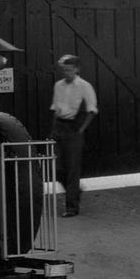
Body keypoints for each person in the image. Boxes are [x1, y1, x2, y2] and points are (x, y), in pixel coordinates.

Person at [50, 55, 97, 217]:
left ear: (76, 69)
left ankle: (71, 207)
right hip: (59, 127)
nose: (66, 73)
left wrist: (81, 130)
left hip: (75, 126)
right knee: (57, 168)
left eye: (69, 70)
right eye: (64, 70)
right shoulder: (58, 85)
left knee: (72, 169)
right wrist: (54, 130)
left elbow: (92, 110)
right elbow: (55, 109)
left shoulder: (84, 86)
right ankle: (75, 190)